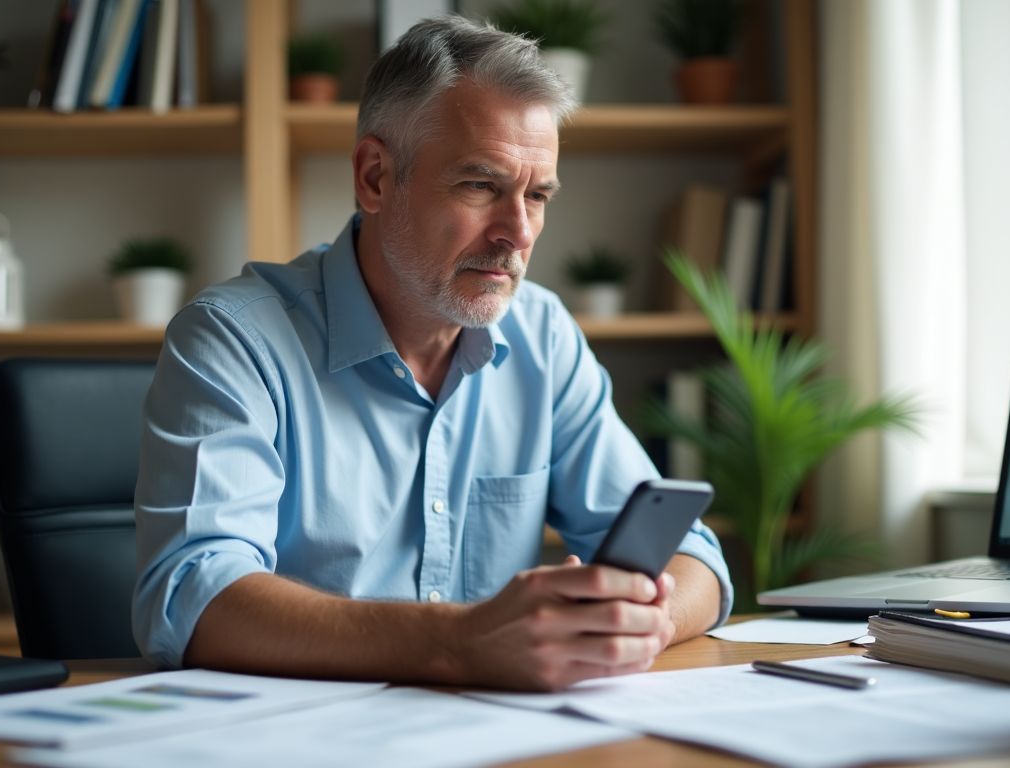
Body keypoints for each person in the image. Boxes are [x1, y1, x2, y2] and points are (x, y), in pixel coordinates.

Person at [132, 15, 733, 691]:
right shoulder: (233, 339)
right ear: (376, 178)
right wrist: (460, 643)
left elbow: (691, 558)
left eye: (538, 196)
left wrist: (647, 621)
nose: (519, 233)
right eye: (480, 186)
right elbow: (193, 597)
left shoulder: (543, 335)